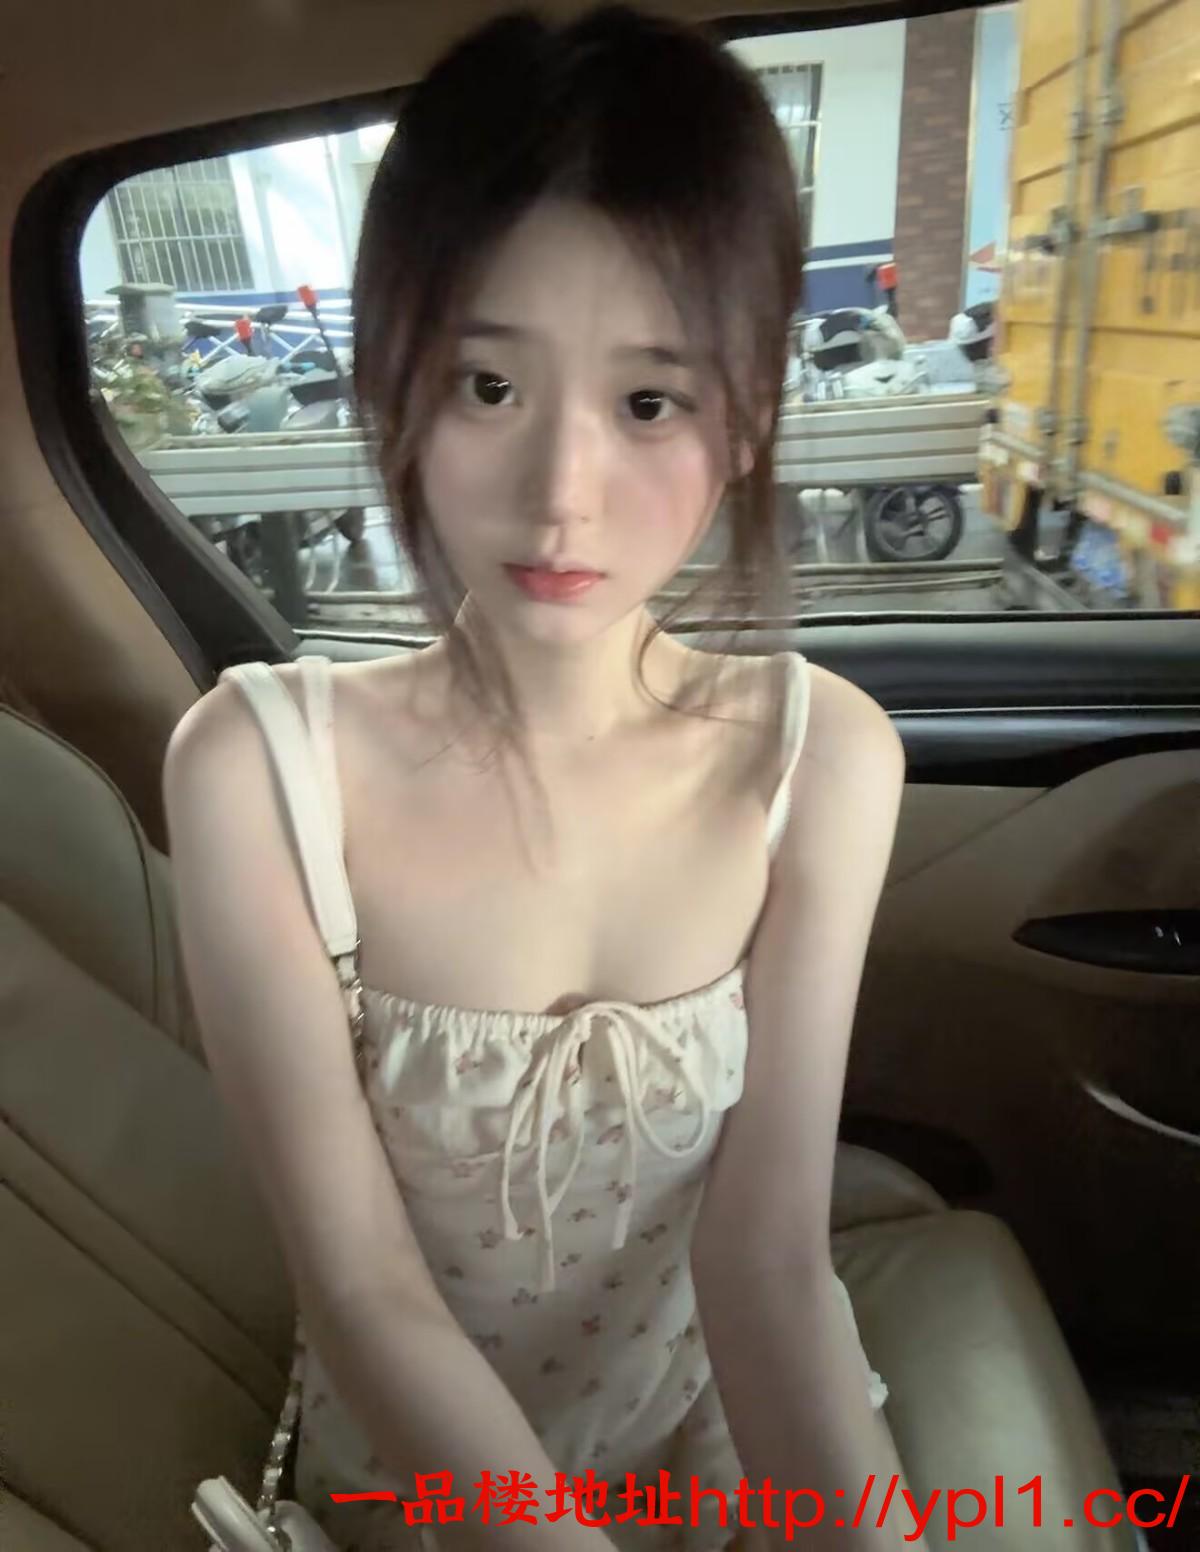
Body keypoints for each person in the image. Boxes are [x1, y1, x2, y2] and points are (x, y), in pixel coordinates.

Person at [162, 7, 914, 1552]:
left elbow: (769, 1261)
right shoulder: (261, 775)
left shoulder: (823, 761)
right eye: (488, 387)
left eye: (649, 403)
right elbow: (362, 1286)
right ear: (396, 383)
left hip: (704, 1448)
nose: (562, 493)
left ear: (747, 419)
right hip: (425, 1487)